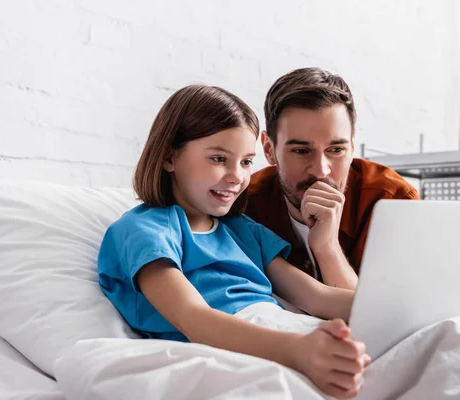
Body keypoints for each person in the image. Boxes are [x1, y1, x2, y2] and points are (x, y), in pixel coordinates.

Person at [97, 85, 369, 399]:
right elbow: (194, 319)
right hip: (232, 347)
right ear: (170, 156)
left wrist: (399, 309)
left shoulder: (242, 230)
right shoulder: (144, 229)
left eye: (246, 162)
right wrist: (298, 351)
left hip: (285, 329)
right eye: (218, 159)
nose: (237, 177)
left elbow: (316, 297)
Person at [246, 67, 460, 316]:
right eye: (301, 151)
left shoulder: (393, 199)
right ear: (269, 149)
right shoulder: (244, 204)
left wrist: (327, 246)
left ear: (352, 146)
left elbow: (396, 318)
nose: (321, 171)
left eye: (336, 150)